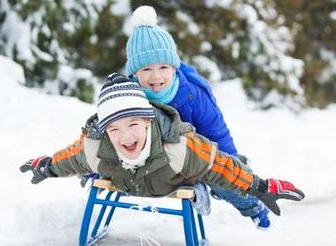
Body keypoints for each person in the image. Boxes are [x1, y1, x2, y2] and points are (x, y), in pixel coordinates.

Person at [20, 74, 304, 218]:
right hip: (130, 180)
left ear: (147, 122)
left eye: (132, 124)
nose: (125, 136)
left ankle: (213, 197)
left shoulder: (178, 145)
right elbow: (69, 158)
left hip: (175, 178)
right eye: (114, 128)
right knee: (89, 168)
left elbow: (221, 164)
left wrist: (261, 186)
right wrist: (46, 167)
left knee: (212, 177)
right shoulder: (96, 146)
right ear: (105, 130)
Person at [124, 6, 270, 229]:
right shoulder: (128, 95)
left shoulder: (192, 95)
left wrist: (232, 165)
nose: (155, 76)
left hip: (197, 156)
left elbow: (216, 131)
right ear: (134, 73)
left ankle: (252, 206)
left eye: (163, 67)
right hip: (155, 164)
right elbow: (111, 131)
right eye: (146, 69)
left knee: (221, 174)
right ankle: (197, 185)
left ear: (174, 67)